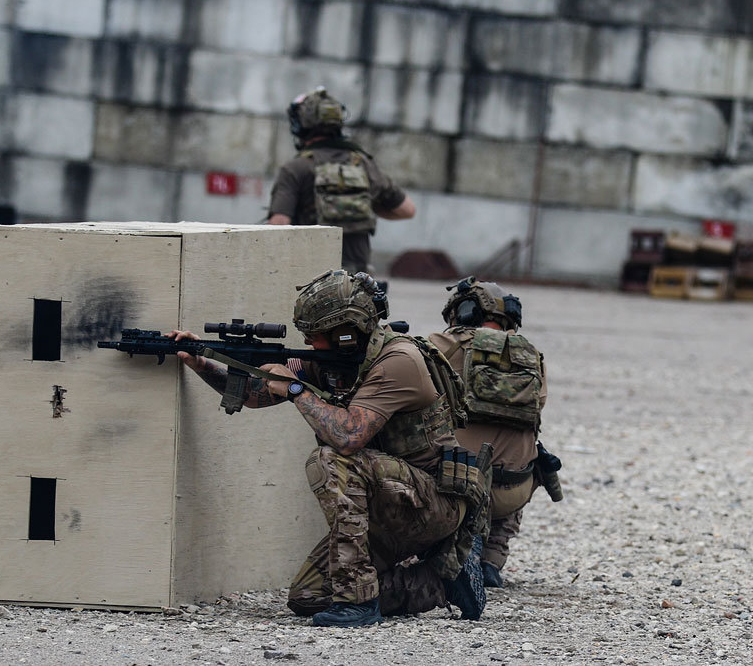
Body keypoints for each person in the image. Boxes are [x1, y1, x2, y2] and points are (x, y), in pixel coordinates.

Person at [169, 270, 490, 627]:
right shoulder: (330, 360)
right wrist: (201, 362)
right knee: (309, 597)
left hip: (433, 505)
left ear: (346, 332)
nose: (308, 341)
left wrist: (295, 390)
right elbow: (254, 395)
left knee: (332, 459)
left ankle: (360, 604)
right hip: (388, 504)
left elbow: (348, 437)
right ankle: (440, 581)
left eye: (315, 334)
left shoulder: (399, 361)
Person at [428, 277, 561, 588]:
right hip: (511, 491)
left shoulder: (440, 346)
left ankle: (446, 551)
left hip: (458, 490)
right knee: (530, 458)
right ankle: (491, 561)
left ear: (461, 312)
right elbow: (538, 408)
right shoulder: (530, 356)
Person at [267, 88, 416, 274]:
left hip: (311, 280)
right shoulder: (363, 164)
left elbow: (279, 224)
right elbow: (407, 210)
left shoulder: (296, 168)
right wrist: (360, 204)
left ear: (302, 125)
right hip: (358, 282)